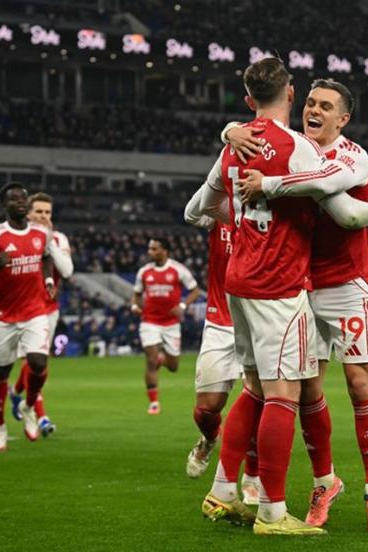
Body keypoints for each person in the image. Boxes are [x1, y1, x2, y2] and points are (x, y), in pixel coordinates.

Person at [224, 78, 368, 534]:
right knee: (307, 390)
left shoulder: (352, 156)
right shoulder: (294, 148)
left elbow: (343, 207)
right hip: (299, 286)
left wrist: (272, 185)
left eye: (326, 106)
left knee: (358, 382)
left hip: (345, 284)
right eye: (311, 103)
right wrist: (229, 130)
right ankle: (324, 481)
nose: (314, 111)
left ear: (344, 118)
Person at [183, 186, 260, 498]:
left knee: (259, 400)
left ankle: (252, 476)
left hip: (258, 322)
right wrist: (219, 174)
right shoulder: (220, 209)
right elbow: (190, 213)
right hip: (220, 321)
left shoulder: (272, 209)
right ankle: (208, 439)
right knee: (207, 407)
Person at [0, 183, 57, 452]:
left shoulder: (41, 234)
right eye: (13, 199)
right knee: (2, 371)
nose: (20, 202)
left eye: (23, 198)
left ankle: (28, 407)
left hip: (34, 311)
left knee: (38, 362)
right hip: (3, 316)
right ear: (4, 206)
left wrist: (49, 279)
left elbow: (45, 258)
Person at [9, 192, 73, 438]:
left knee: (37, 364)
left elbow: (66, 271)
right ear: (28, 213)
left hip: (48, 309)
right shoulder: (16, 236)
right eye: (39, 212)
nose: (44, 216)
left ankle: (16, 393)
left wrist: (48, 242)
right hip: (23, 309)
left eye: (47, 212)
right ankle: (41, 416)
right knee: (33, 361)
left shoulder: (58, 238)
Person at [131, 238, 200, 415]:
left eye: (154, 249)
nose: (150, 252)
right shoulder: (144, 272)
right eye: (149, 249)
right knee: (151, 360)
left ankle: (163, 359)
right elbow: (136, 294)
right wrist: (135, 306)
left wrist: (183, 306)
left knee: (173, 366)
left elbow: (195, 290)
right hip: (149, 321)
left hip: (171, 324)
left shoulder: (177, 269)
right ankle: (153, 402)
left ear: (164, 251)